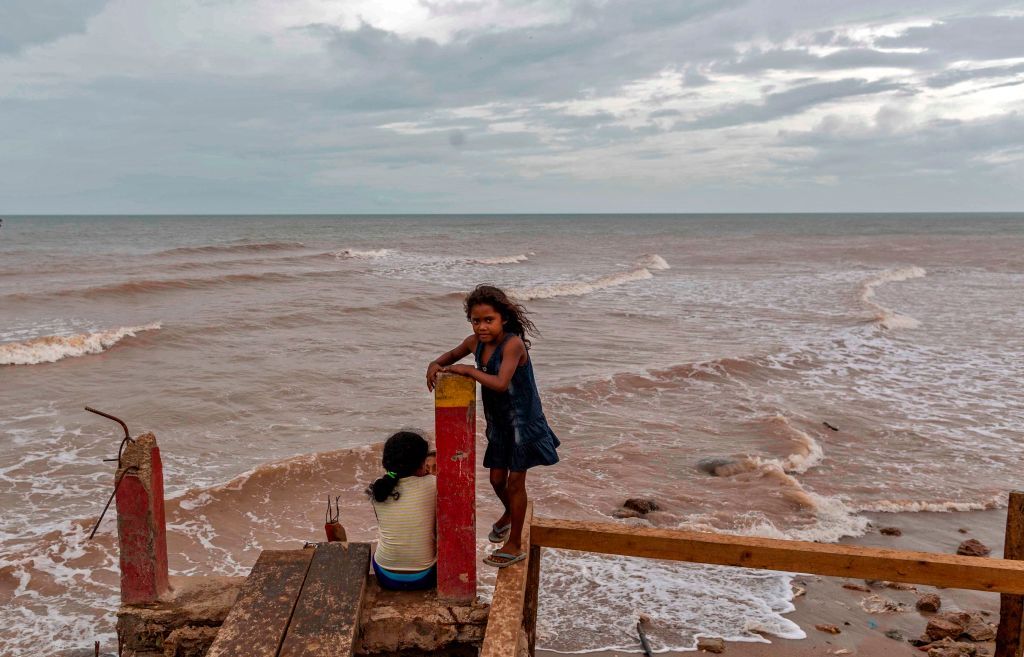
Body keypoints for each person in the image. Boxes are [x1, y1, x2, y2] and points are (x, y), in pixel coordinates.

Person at [426, 285, 559, 568]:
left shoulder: (513, 345)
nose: (482, 326)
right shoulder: (475, 343)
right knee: (496, 480)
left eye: (489, 320)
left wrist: (469, 371)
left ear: (504, 320)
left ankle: (515, 544)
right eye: (476, 321)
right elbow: (448, 356)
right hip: (499, 423)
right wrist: (433, 365)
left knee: (514, 483)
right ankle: (511, 514)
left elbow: (500, 383)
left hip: (523, 422)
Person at [367, 431, 437, 590]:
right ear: (421, 463)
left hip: (385, 576)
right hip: (424, 577)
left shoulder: (378, 489)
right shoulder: (433, 484)